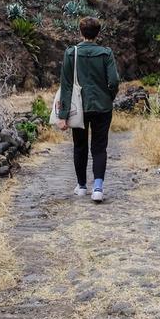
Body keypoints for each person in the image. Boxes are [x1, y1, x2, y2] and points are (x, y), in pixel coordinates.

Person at [56, 17, 120, 203]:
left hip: (79, 108)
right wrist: (109, 97)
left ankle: (82, 186)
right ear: (98, 33)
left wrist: (63, 115)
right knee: (100, 147)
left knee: (80, 146)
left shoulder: (71, 53)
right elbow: (114, 81)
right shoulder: (106, 53)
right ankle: (98, 187)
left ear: (81, 32)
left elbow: (66, 86)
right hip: (102, 107)